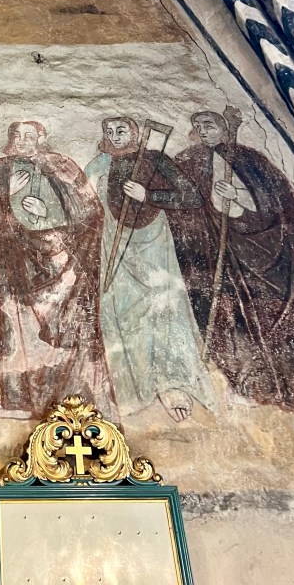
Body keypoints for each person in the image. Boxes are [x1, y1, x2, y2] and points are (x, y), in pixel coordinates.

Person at [168, 109, 294, 444]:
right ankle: (250, 384)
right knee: (234, 325)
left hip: (268, 265)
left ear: (224, 128)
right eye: (198, 126)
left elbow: (278, 209)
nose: (203, 130)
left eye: (209, 125)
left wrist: (239, 201)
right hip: (225, 264)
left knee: (281, 327)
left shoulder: (252, 162)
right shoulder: (193, 162)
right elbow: (186, 205)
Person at [0, 121, 116, 422]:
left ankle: (71, 399)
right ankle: (20, 400)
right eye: (16, 135)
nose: (21, 140)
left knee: (66, 330)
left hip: (61, 265)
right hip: (14, 264)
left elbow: (91, 213)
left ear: (41, 137)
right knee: (18, 332)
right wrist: (7, 194)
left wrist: (49, 213)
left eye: (29, 135)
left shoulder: (62, 166)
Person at [85, 117, 216, 422]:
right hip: (113, 244)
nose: (115, 136)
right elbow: (82, 199)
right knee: (122, 312)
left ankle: (172, 383)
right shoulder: (100, 163)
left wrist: (149, 195)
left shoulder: (155, 159)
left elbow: (192, 196)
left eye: (121, 130)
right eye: (109, 131)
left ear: (133, 132)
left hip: (153, 245)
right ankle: (133, 387)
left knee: (162, 310)